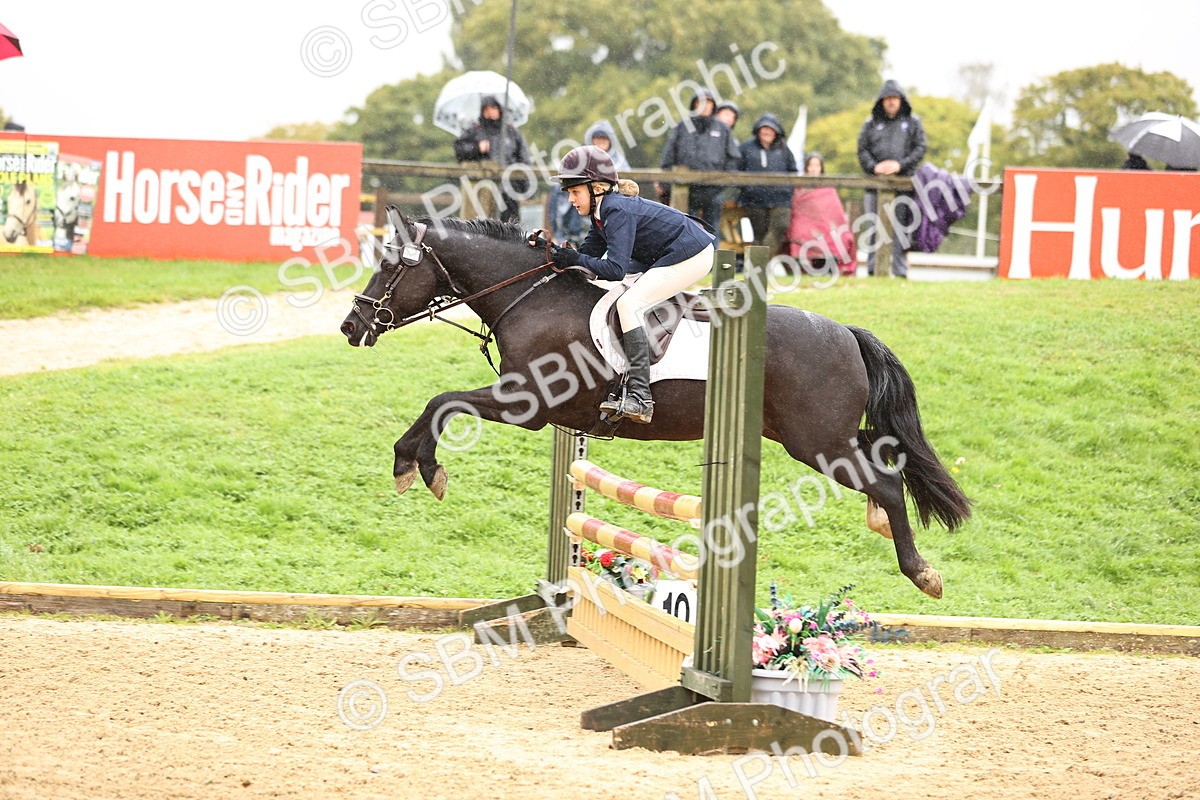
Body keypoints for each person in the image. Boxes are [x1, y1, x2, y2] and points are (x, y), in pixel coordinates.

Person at [550, 145, 716, 424]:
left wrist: (574, 257)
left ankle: (641, 396)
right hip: (664, 253)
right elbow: (586, 259)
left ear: (597, 188)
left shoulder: (616, 210)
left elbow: (614, 269)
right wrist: (551, 252)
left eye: (575, 192)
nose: (571, 200)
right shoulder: (601, 211)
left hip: (691, 254)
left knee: (630, 305)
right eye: (569, 193)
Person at [857, 79, 926, 277]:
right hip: (874, 185)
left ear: (901, 100)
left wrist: (900, 165)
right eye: (887, 98)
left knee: (901, 230)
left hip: (904, 185)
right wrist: (874, 166)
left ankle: (900, 271)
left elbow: (920, 148)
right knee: (873, 227)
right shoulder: (870, 123)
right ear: (882, 101)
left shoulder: (913, 122)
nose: (891, 102)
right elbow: (862, 150)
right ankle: (873, 270)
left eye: (894, 98)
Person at [658, 88, 740, 233]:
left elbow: (733, 159)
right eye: (700, 102)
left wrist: (722, 182)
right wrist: (666, 184)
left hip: (714, 189)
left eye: (708, 102)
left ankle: (712, 255)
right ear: (694, 105)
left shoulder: (723, 129)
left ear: (713, 106)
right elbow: (668, 157)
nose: (704, 106)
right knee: (685, 228)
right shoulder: (682, 126)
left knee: (711, 230)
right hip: (685, 188)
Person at [453, 95, 531, 224]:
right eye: (487, 109)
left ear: (499, 109)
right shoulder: (474, 130)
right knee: (483, 223)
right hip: (482, 187)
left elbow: (523, 158)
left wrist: (525, 185)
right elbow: (460, 150)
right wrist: (476, 148)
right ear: (482, 111)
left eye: (493, 108)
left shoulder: (511, 132)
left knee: (509, 223)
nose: (490, 112)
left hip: (509, 186)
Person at [549, 121, 630, 243]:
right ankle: (569, 236)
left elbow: (626, 185)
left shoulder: (619, 162)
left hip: (607, 208)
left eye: (604, 138)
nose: (600, 141)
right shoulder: (582, 159)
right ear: (591, 140)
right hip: (582, 211)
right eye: (597, 138)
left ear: (610, 141)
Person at [736, 113, 796, 258]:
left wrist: (787, 190)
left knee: (780, 227)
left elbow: (793, 171)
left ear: (776, 132)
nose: (767, 132)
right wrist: (748, 189)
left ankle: (758, 262)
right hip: (754, 200)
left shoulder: (784, 149)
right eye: (764, 129)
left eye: (771, 129)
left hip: (781, 199)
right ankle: (758, 270)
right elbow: (736, 171)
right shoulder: (746, 148)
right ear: (758, 131)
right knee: (759, 232)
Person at [787, 152, 857, 277]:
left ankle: (829, 263)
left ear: (821, 168)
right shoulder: (799, 187)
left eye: (817, 166)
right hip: (805, 226)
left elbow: (835, 213)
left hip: (826, 229)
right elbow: (797, 210)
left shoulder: (828, 188)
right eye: (811, 165)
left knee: (838, 236)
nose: (814, 169)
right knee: (799, 231)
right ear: (806, 167)